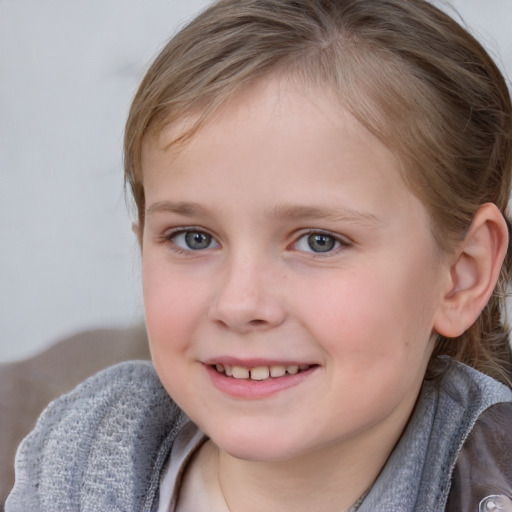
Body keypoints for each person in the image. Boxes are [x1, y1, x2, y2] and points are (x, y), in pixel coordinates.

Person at [7, 0, 512, 510]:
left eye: (320, 241)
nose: (239, 303)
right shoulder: (68, 467)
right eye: (194, 238)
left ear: (460, 275)